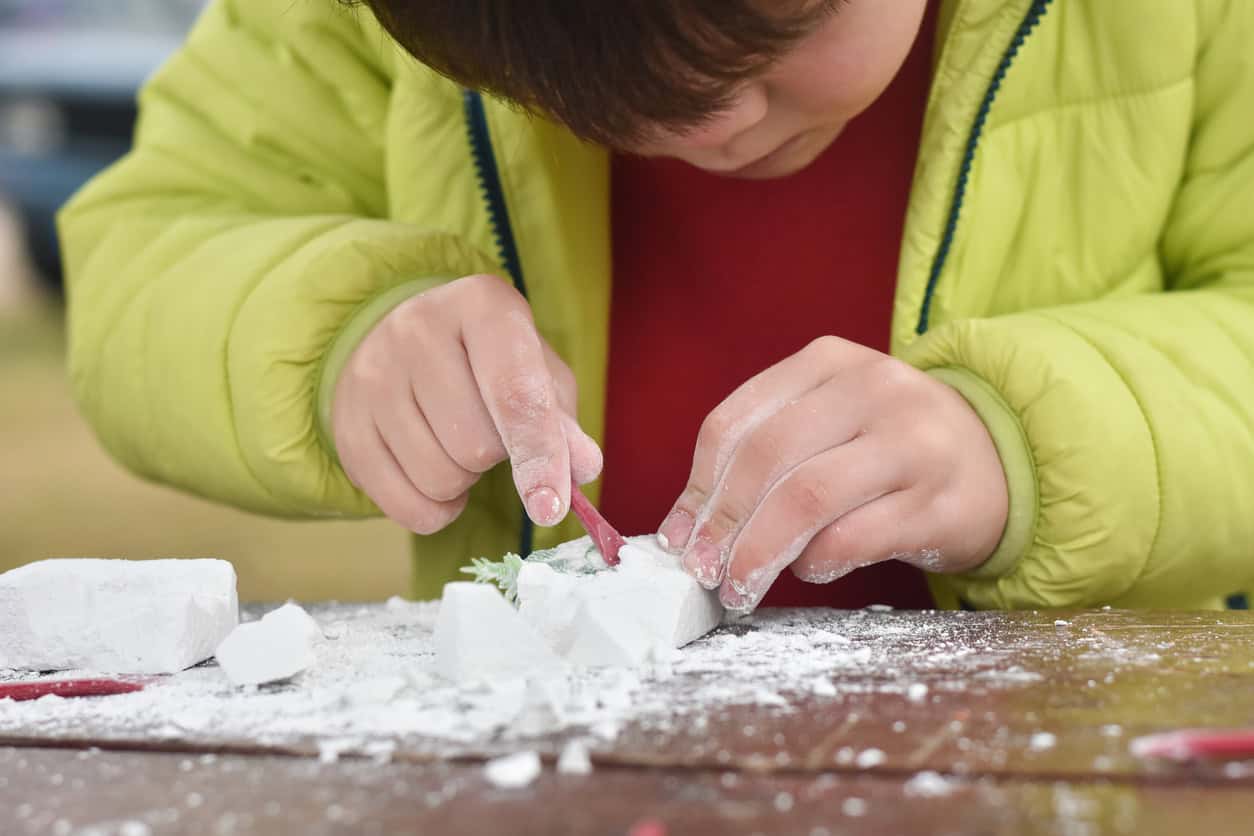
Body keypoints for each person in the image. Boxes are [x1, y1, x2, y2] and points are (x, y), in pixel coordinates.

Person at [58, 0, 1254, 612]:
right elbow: (149, 251)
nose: (709, 129)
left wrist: (1024, 451)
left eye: (770, 37)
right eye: (584, 100)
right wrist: (334, 341)